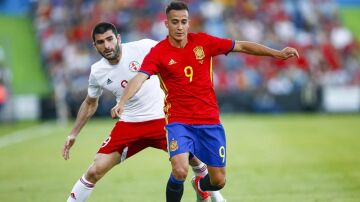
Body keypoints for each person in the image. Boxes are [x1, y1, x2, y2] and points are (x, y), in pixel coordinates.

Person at [111, 1, 300, 202]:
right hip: (179, 121)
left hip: (209, 121)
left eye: (183, 22)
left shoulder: (203, 42)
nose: (180, 26)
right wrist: (122, 102)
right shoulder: (159, 52)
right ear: (166, 24)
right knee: (180, 169)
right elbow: (139, 77)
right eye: (175, 22)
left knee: (218, 181)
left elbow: (242, 45)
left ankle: (200, 185)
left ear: (189, 23)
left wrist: (277, 53)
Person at [62, 22, 225, 202]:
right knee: (94, 171)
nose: (107, 46)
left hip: (163, 120)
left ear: (118, 38)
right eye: (100, 42)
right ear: (95, 46)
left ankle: (215, 197)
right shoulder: (97, 71)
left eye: (110, 39)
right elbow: (90, 103)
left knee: (196, 160)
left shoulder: (145, 47)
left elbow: (175, 53)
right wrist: (73, 133)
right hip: (129, 125)